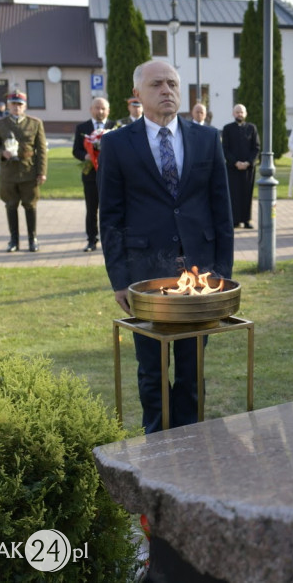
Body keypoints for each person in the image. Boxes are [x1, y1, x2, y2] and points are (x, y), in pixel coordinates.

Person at [98, 60, 234, 434]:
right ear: (138, 94)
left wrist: (223, 272)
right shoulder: (116, 144)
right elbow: (109, 217)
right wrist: (120, 280)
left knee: (192, 370)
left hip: (200, 276)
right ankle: (157, 442)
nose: (167, 91)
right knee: (152, 369)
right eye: (157, 84)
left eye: (173, 83)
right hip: (145, 274)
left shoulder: (207, 139)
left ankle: (191, 440)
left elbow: (222, 211)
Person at [0, 90, 48, 252]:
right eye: (13, 104)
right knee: (11, 205)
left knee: (30, 205)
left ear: (25, 106)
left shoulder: (35, 123)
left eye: (19, 104)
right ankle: (14, 240)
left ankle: (32, 239)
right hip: (9, 173)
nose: (16, 107)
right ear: (8, 105)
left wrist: (41, 172)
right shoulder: (0, 124)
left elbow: (41, 150)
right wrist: (1, 154)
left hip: (29, 171)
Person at [72, 97, 116, 252]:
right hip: (91, 175)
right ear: (91, 109)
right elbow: (76, 150)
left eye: (103, 108)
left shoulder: (114, 126)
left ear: (108, 111)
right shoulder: (82, 128)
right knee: (91, 209)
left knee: (111, 209)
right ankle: (91, 240)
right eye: (97, 108)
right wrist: (87, 156)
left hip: (111, 177)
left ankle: (110, 240)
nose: (100, 111)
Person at [221, 103, 259, 229]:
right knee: (234, 194)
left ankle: (247, 219)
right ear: (233, 114)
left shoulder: (252, 128)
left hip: (248, 169)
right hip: (233, 168)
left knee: (247, 194)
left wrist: (248, 162)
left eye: (242, 112)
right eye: (237, 112)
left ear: (245, 114)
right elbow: (225, 149)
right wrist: (235, 162)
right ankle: (235, 220)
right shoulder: (227, 129)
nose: (239, 114)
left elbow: (256, 148)